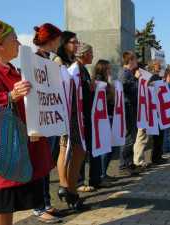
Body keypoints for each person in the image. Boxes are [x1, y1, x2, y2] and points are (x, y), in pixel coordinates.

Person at [0, 19, 54, 225]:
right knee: (2, 201)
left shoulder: (9, 68)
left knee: (10, 202)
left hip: (20, 147)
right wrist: (10, 96)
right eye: (14, 39)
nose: (19, 43)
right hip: (4, 150)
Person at [32, 23, 63, 223]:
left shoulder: (49, 61)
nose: (59, 43)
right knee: (40, 164)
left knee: (46, 164)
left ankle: (45, 201)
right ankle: (38, 206)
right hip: (39, 121)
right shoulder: (34, 60)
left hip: (49, 119)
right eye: (57, 39)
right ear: (50, 40)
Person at [55, 31, 86, 210]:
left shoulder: (75, 63)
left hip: (77, 112)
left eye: (77, 42)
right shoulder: (58, 61)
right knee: (64, 149)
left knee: (80, 151)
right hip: (64, 112)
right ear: (65, 43)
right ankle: (64, 185)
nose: (76, 45)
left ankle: (73, 190)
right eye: (73, 42)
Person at [75, 43, 103, 191]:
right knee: (81, 149)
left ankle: (94, 179)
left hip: (88, 114)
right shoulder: (76, 69)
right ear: (84, 54)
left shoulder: (83, 69)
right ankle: (79, 182)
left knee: (90, 148)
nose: (92, 55)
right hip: (81, 116)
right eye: (91, 53)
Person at [92, 59, 118, 183]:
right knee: (105, 147)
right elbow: (107, 98)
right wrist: (110, 84)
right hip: (103, 117)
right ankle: (102, 175)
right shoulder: (99, 81)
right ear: (102, 69)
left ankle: (104, 173)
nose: (110, 70)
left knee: (109, 147)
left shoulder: (105, 82)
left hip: (108, 115)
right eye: (108, 68)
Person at [118, 51, 141, 176]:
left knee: (132, 136)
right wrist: (137, 79)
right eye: (135, 60)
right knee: (129, 137)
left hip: (131, 107)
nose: (136, 63)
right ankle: (124, 165)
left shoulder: (129, 73)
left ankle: (129, 163)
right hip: (127, 107)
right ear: (130, 60)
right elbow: (125, 89)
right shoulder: (124, 73)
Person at [147, 60, 168, 164]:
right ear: (152, 67)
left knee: (160, 135)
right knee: (157, 136)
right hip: (155, 110)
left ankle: (158, 156)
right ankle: (155, 158)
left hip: (160, 110)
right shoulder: (151, 77)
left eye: (160, 66)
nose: (159, 67)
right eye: (157, 66)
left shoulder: (159, 77)